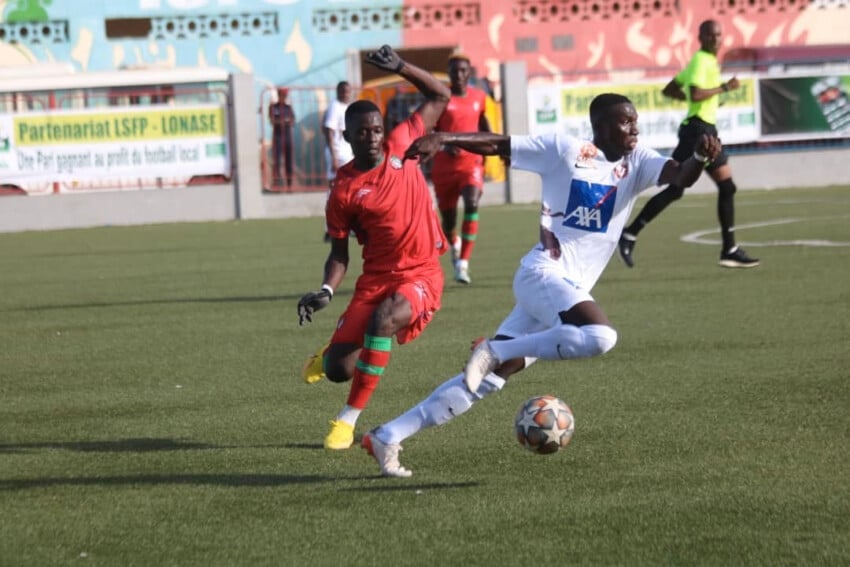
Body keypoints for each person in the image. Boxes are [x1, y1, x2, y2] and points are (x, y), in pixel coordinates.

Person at [360, 93, 722, 477]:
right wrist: (444, 138)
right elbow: (499, 144)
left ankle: (388, 434)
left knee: (488, 380)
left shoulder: (638, 161)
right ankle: (494, 349)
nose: (635, 128)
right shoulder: (564, 151)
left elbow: (680, 176)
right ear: (600, 127)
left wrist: (700, 158)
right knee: (600, 336)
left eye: (635, 120)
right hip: (543, 275)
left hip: (562, 291)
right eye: (625, 121)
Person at [297, 45, 451, 451]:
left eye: (377, 129)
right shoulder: (343, 191)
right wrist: (326, 290)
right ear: (347, 136)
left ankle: (346, 421)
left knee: (385, 320)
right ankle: (329, 354)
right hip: (376, 278)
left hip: (421, 274)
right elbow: (339, 254)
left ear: (385, 130)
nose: (372, 137)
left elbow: (440, 95)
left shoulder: (405, 143)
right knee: (339, 369)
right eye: (362, 132)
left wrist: (401, 66)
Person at [618, 19, 759, 269]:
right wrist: (724, 87)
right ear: (700, 37)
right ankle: (630, 233)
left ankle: (728, 249)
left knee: (714, 187)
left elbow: (670, 89)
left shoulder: (707, 61)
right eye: (711, 35)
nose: (716, 39)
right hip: (698, 131)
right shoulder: (701, 61)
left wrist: (698, 101)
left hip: (703, 128)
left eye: (719, 35)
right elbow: (695, 93)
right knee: (692, 187)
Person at [431, 54, 491, 284]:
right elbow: (430, 130)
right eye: (455, 71)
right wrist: (445, 144)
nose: (459, 74)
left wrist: (499, 149)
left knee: (472, 203)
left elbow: (484, 126)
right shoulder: (441, 98)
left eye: (463, 70)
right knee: (448, 222)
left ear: (469, 73)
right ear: (449, 73)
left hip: (471, 163)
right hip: (444, 167)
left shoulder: (479, 97)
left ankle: (463, 263)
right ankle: (453, 241)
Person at [322, 81, 355, 240]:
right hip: (338, 153)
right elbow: (328, 130)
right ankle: (330, 228)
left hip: (346, 153)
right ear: (338, 91)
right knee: (334, 189)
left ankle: (349, 226)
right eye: (344, 91)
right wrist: (333, 155)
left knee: (350, 189)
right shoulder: (335, 107)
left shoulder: (347, 107)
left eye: (348, 91)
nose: (346, 94)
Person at [268, 87, 296, 187]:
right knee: (277, 160)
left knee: (289, 160)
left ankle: (289, 183)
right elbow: (272, 120)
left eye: (285, 95)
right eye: (283, 95)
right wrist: (284, 121)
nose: (284, 97)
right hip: (278, 137)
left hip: (288, 137)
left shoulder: (288, 108)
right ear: (279, 95)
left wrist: (284, 121)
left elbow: (292, 120)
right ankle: (277, 182)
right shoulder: (273, 107)